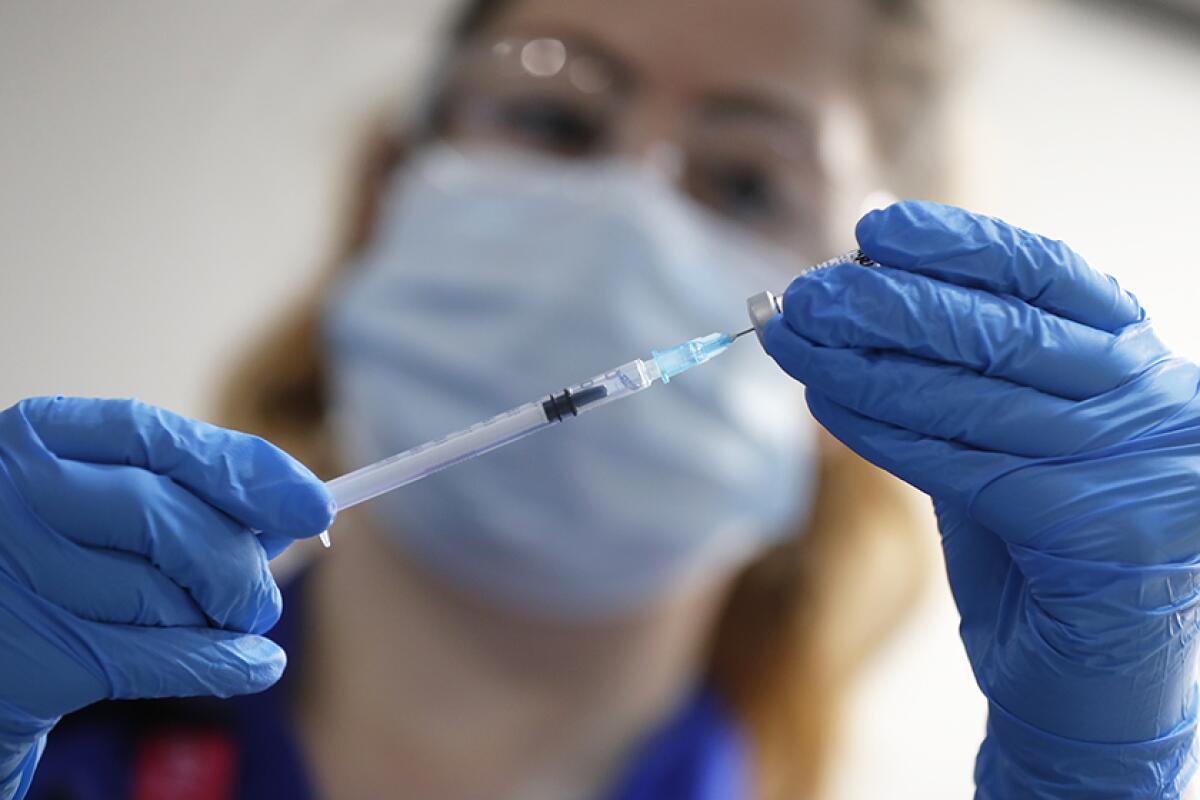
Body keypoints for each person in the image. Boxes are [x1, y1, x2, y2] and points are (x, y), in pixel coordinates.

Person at [1, 3, 1196, 800]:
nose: (627, 209)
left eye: (743, 178)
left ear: (871, 350)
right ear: (385, 193)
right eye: (555, 118)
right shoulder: (50, 708)